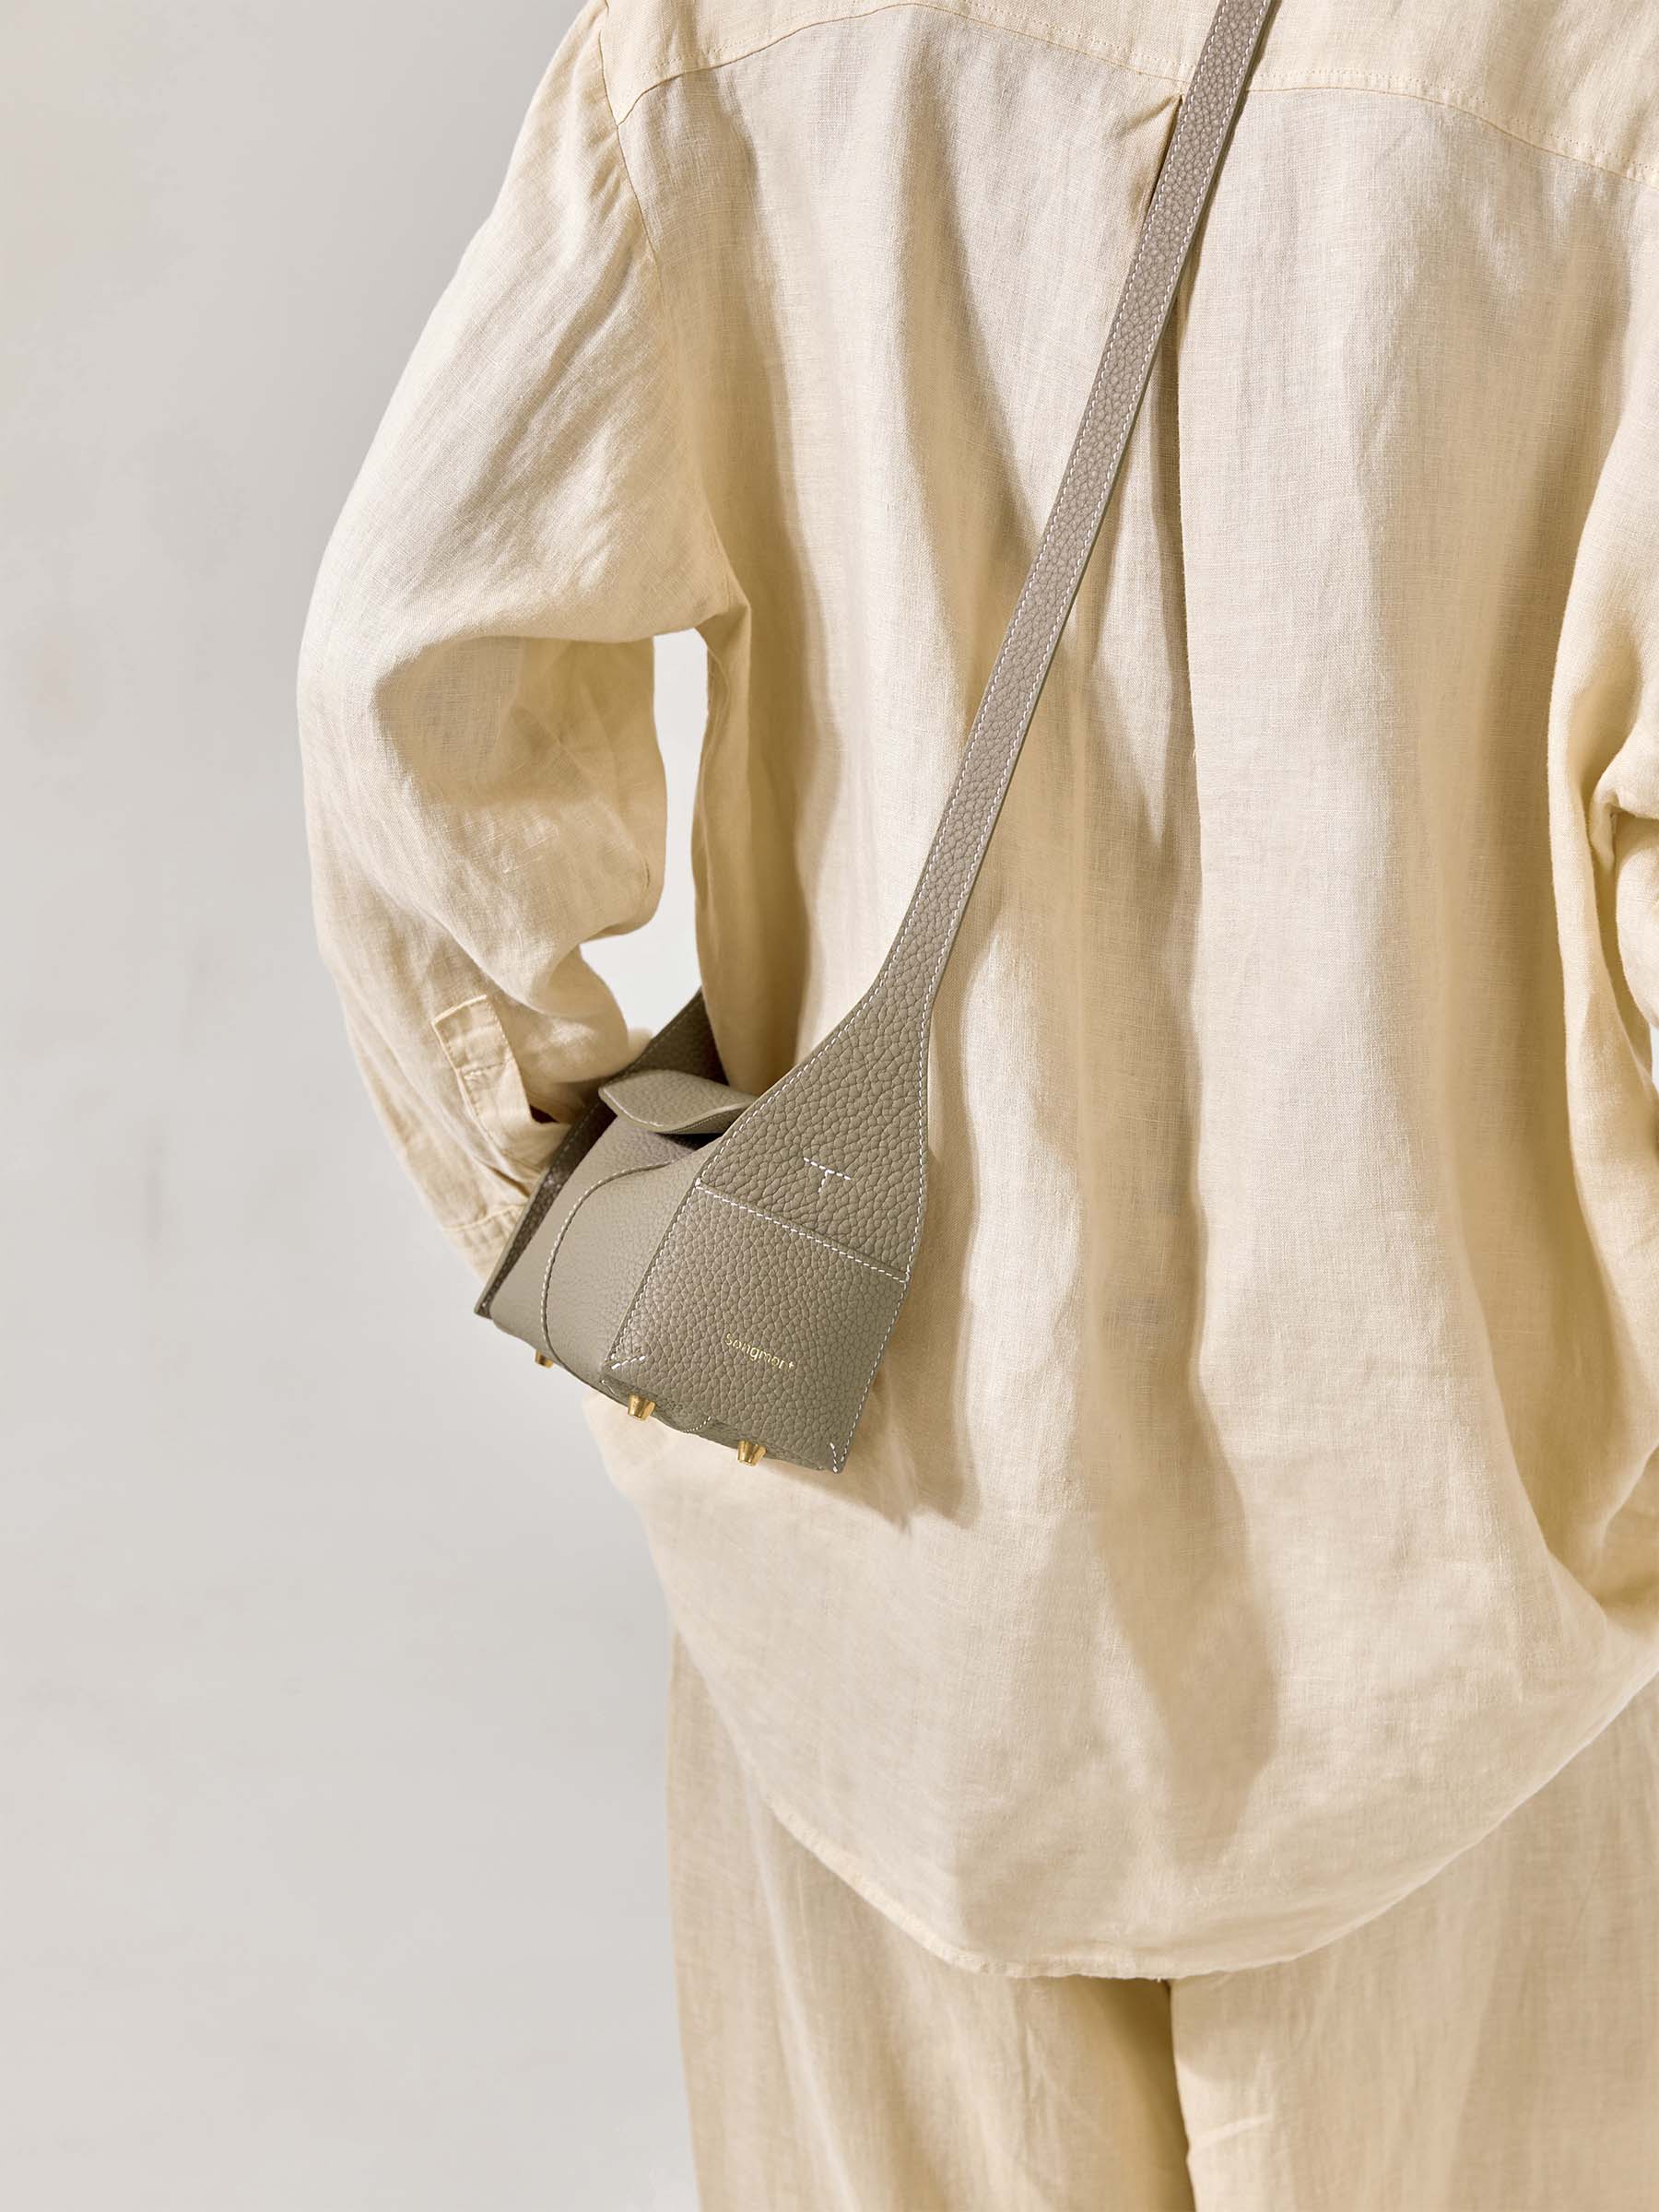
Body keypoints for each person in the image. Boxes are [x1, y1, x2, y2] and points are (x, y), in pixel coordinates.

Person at [297, 0, 1659, 2200]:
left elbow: (401, 679)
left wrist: (585, 1232)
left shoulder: (726, 37)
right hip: (1477, 1564)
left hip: (877, 1539)